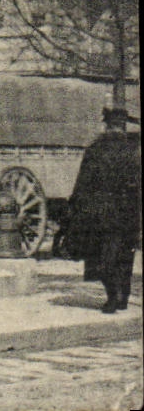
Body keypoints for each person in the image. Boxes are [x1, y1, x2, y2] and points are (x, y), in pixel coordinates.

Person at [67, 106, 140, 313]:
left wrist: (75, 209)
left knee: (103, 255)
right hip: (128, 212)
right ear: (123, 126)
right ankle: (123, 297)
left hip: (100, 213)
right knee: (125, 255)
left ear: (106, 125)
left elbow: (82, 184)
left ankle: (112, 296)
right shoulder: (133, 150)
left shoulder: (95, 149)